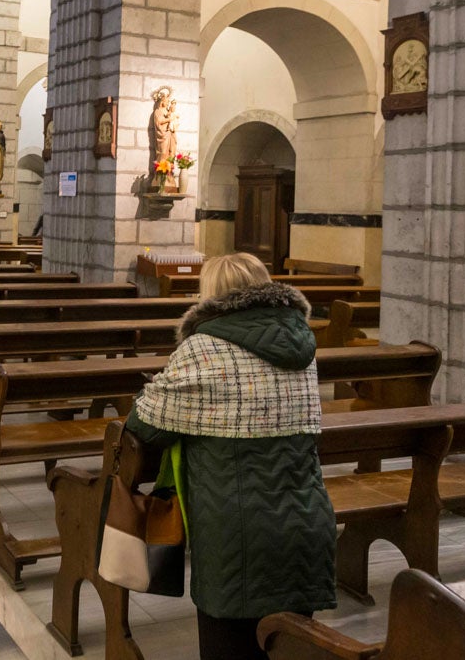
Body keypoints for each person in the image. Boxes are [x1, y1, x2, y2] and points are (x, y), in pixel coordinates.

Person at [124, 252, 336, 660]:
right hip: (305, 518)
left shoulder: (204, 347)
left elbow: (144, 425)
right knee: (288, 645)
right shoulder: (301, 344)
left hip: (235, 528)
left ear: (211, 294)